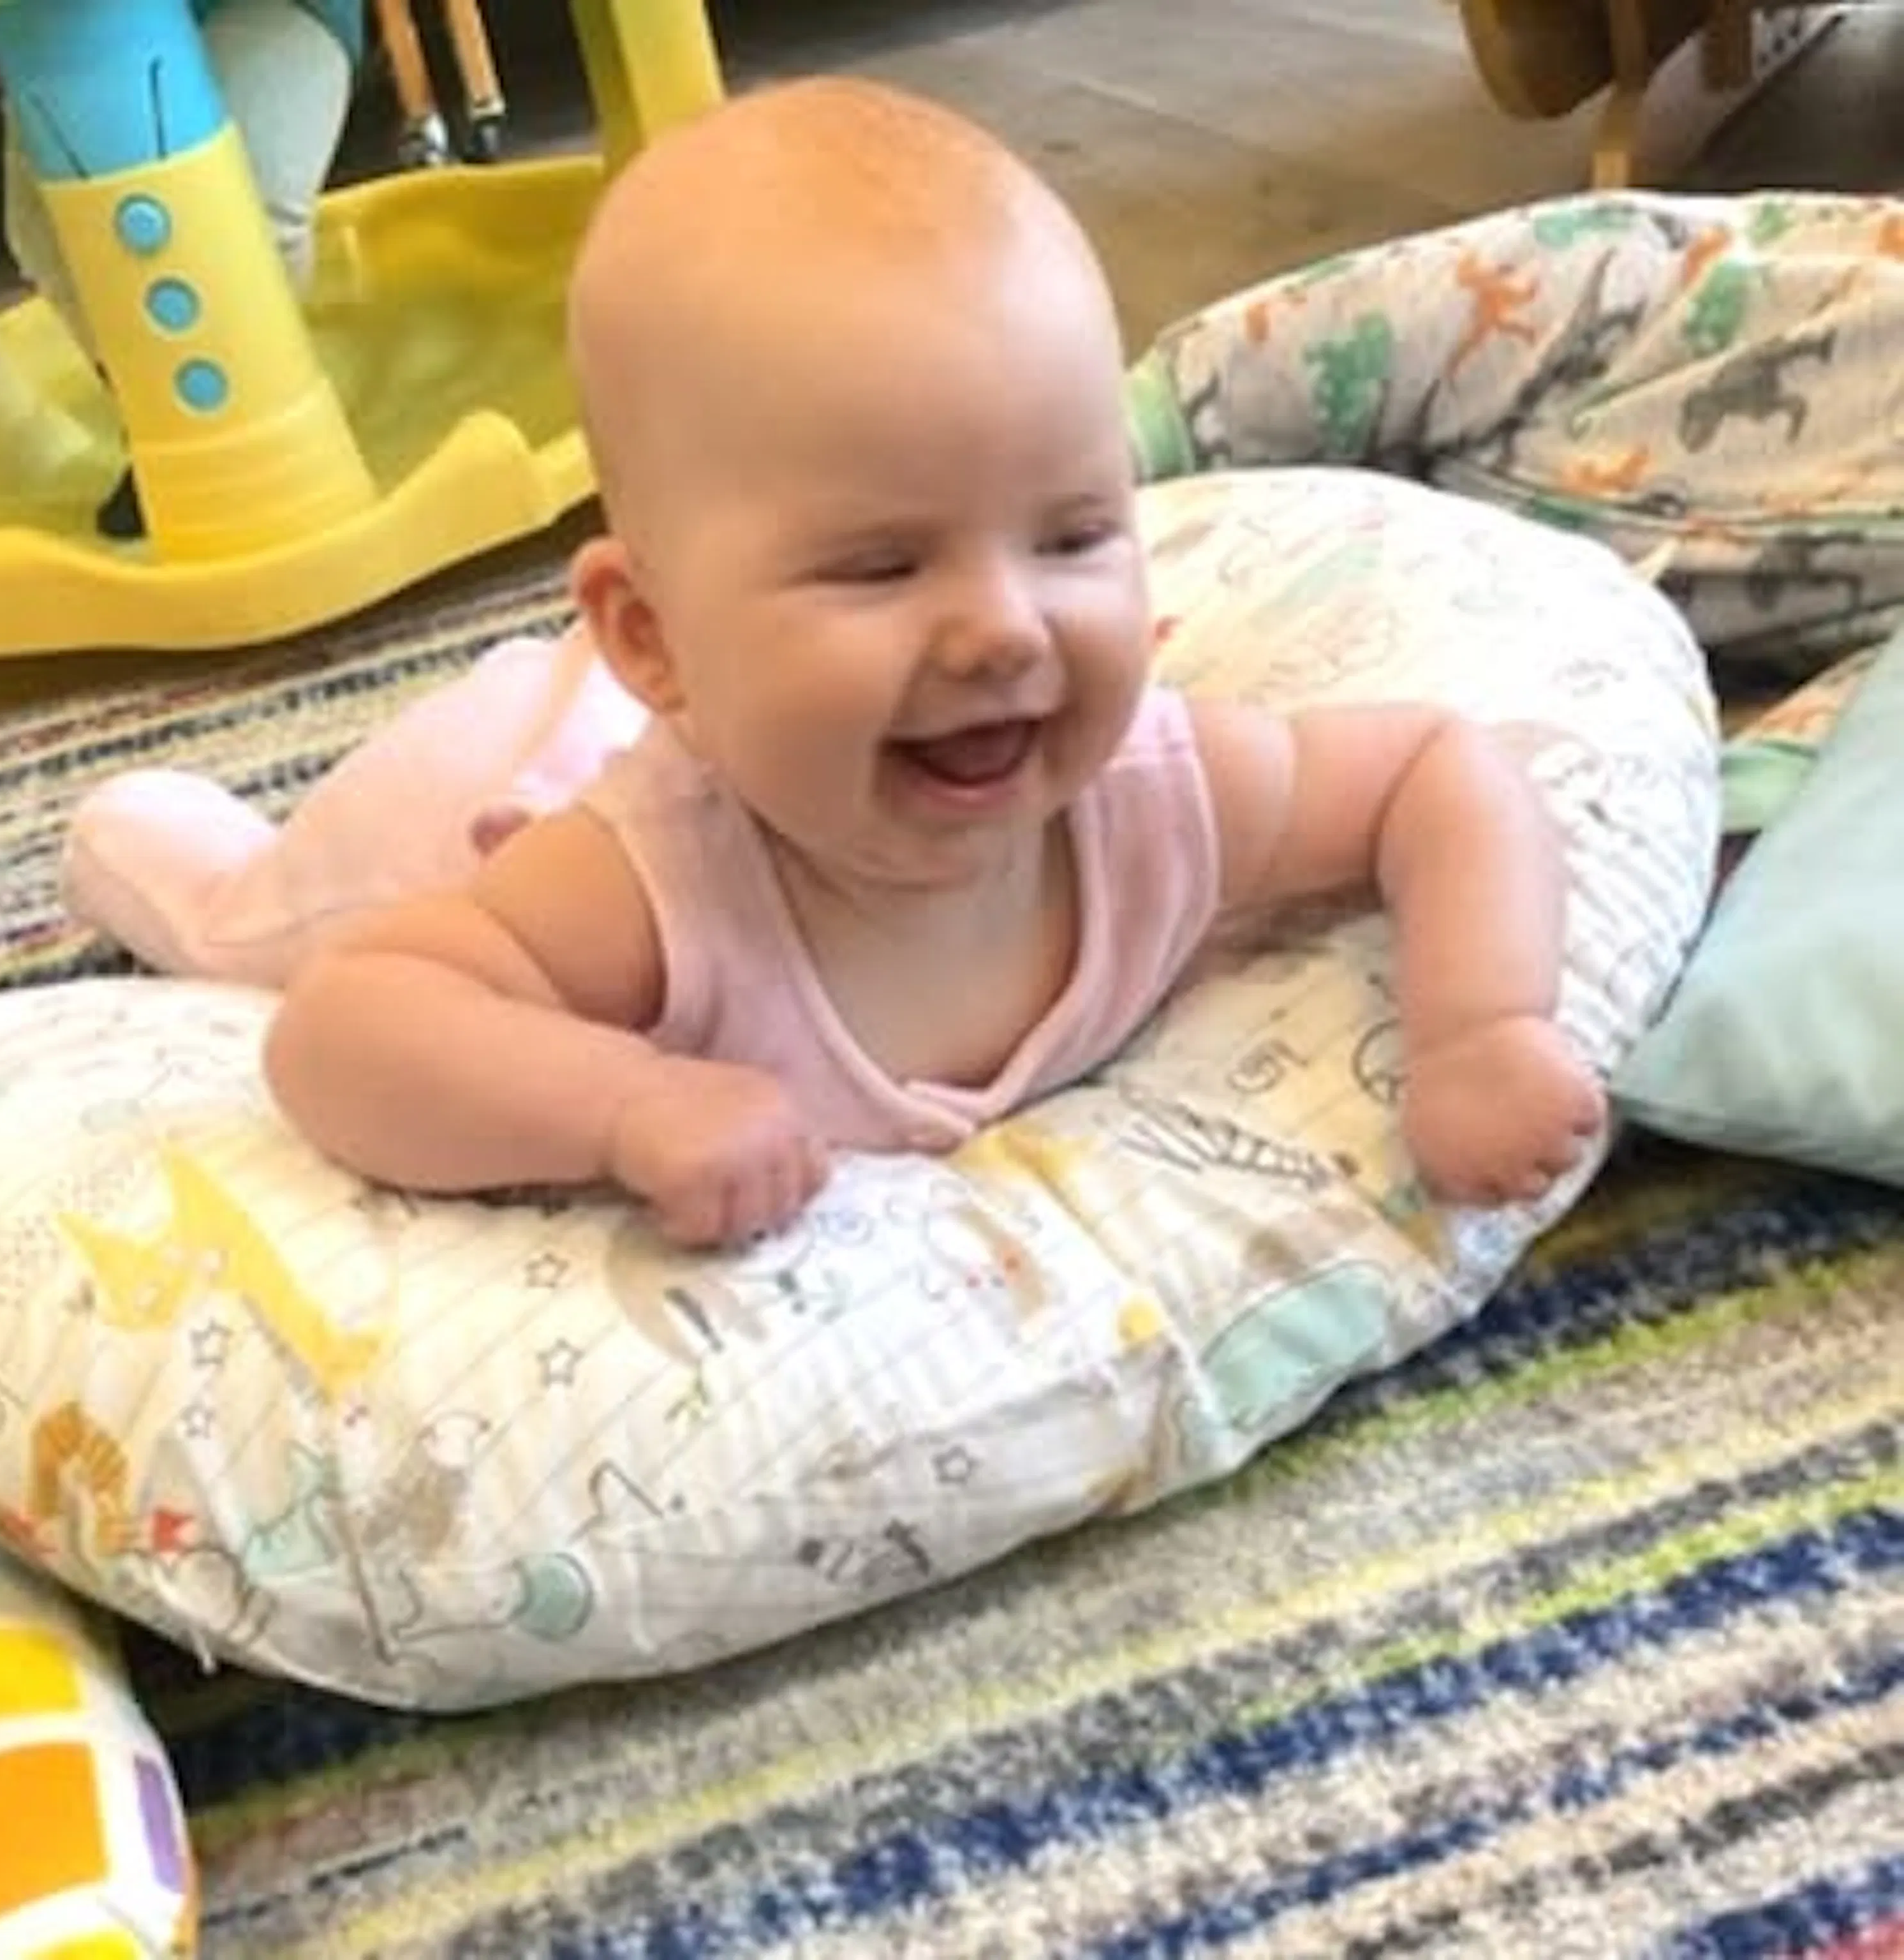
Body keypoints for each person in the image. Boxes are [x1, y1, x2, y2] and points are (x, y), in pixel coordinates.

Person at [262, 75, 1605, 1249]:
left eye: (1071, 537)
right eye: (881, 567)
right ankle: (173, 847)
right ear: (652, 638)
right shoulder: (647, 888)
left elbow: (1435, 770)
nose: (1005, 628)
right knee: (256, 914)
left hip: (678, 705)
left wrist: (1482, 1025)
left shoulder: (1152, 796)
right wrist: (629, 1104)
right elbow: (344, 1027)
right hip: (473, 786)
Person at [1, 0, 362, 537]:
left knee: (241, 220)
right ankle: (160, 420)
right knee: (53, 234)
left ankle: (258, 418)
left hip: (273, 10)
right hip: (55, 37)